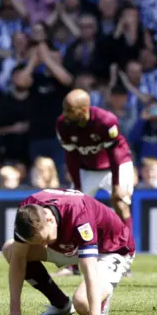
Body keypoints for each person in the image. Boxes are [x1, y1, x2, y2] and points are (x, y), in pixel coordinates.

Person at [2, 188, 135, 315]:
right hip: (70, 245)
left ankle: (100, 306)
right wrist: (14, 311)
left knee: (82, 303)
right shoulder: (27, 212)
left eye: (45, 238)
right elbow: (18, 259)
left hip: (111, 249)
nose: (44, 245)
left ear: (50, 219)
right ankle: (60, 305)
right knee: (11, 250)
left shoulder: (78, 214)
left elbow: (89, 269)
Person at [53, 89, 135, 277]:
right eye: (64, 109)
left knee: (121, 204)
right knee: (74, 211)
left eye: (70, 110)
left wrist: (116, 184)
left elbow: (115, 154)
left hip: (117, 165)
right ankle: (72, 263)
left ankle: (126, 257)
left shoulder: (105, 120)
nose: (65, 114)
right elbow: (71, 156)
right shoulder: (63, 124)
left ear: (83, 110)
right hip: (87, 168)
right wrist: (78, 186)